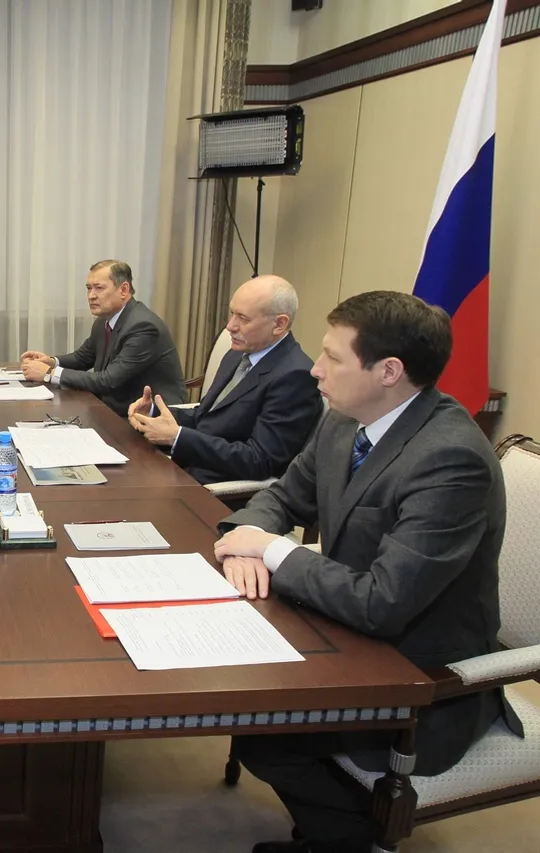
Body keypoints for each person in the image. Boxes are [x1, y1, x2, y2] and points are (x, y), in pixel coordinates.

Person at [212, 291, 521, 853]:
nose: (315, 369)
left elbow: (383, 602)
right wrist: (244, 545)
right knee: (247, 703)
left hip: (421, 675)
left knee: (267, 736)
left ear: (389, 372)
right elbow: (283, 496)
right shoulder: (345, 419)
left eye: (332, 357)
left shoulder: (450, 459)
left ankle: (347, 839)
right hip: (342, 632)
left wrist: (273, 551)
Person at [127, 275, 320, 485]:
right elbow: (207, 417)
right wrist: (153, 412)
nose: (230, 326)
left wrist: (178, 437)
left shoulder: (295, 376)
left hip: (213, 487)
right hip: (186, 466)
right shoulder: (238, 354)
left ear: (279, 324)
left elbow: (261, 460)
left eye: (243, 318)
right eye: (232, 314)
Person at [20, 259, 185, 414]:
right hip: (113, 408)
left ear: (123, 290)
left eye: (99, 288)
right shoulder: (104, 320)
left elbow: (109, 380)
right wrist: (51, 361)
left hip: (152, 415)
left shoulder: (143, 327)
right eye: (88, 288)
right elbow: (83, 358)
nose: (91, 295)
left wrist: (50, 373)